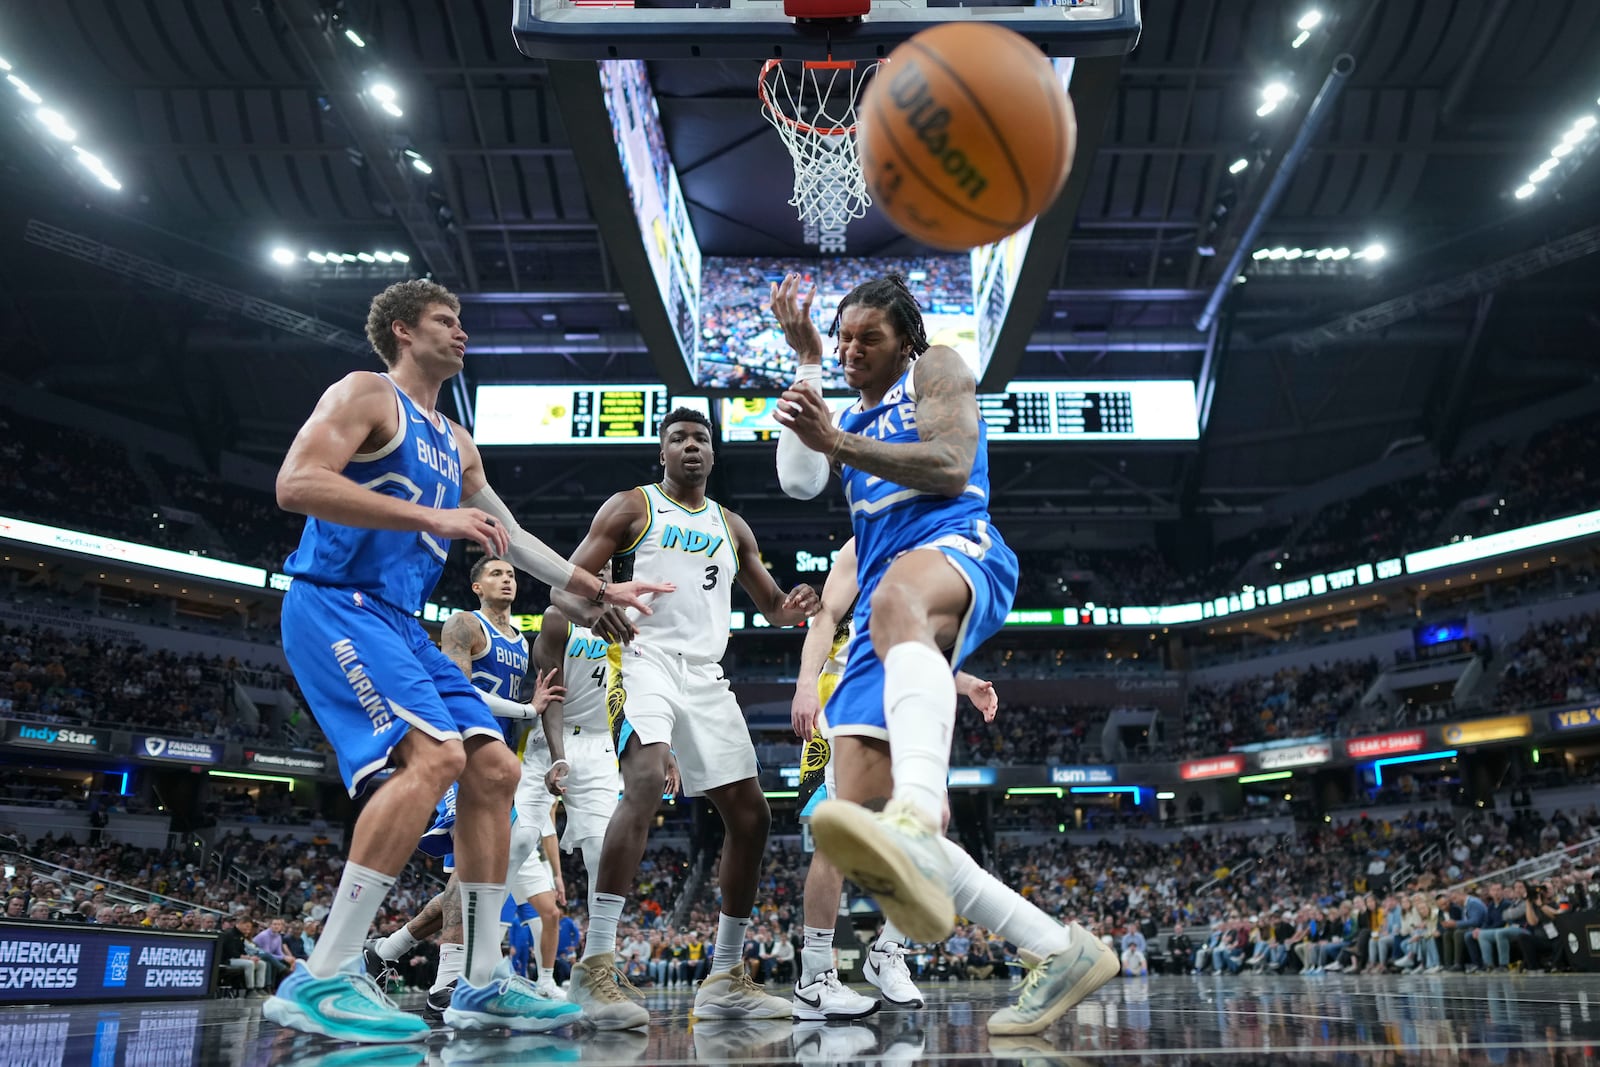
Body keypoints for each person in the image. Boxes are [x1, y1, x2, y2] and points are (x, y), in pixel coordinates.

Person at [264, 279, 667, 1043]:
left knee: (496, 771)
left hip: (397, 622)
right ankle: (324, 971)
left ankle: (481, 981)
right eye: (447, 321)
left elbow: (505, 534)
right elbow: (296, 483)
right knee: (436, 758)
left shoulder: (457, 440)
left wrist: (589, 584)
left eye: (462, 322)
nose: (462, 333)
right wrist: (432, 516)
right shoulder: (367, 392)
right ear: (404, 331)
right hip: (336, 601)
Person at [770, 272, 1118, 1035]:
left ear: (906, 342)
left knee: (894, 597)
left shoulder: (938, 371)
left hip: (959, 551)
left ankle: (920, 809)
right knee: (842, 813)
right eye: (843, 337)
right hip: (881, 620)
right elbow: (799, 481)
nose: (854, 349)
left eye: (871, 337)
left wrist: (838, 440)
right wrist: (806, 367)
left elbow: (954, 465)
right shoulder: (844, 411)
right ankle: (1057, 948)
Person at [554, 407, 820, 1029]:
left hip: (705, 674)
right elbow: (561, 589)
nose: (691, 446)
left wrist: (795, 606)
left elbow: (774, 607)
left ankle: (725, 976)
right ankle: (595, 964)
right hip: (642, 659)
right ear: (663, 454)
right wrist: (596, 609)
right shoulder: (631, 508)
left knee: (753, 818)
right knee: (645, 781)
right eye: (678, 439)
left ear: (712, 454)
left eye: (701, 438)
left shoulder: (733, 526)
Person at [789, 535, 1000, 1019]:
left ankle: (888, 951)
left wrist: (964, 682)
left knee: (934, 819)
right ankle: (815, 976)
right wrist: (804, 686)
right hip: (845, 697)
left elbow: (918, 647)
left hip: (906, 698)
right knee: (837, 838)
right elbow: (824, 620)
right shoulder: (861, 545)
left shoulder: (941, 545)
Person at [364, 555, 570, 1015]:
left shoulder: (526, 643)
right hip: (463, 754)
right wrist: (527, 710)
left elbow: (537, 707)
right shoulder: (464, 625)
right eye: (496, 573)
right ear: (476, 586)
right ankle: (447, 983)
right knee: (472, 873)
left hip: (503, 770)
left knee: (483, 879)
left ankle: (388, 949)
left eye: (512, 573)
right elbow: (456, 691)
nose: (507, 579)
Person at [221, 917, 270, 995]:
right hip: (228, 960)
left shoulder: (241, 935)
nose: (248, 929)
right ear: (240, 923)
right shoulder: (228, 934)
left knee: (261, 964)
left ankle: (259, 987)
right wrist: (249, 958)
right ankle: (250, 989)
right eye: (247, 926)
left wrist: (251, 957)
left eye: (250, 927)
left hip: (239, 958)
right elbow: (231, 952)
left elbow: (242, 950)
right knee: (250, 964)